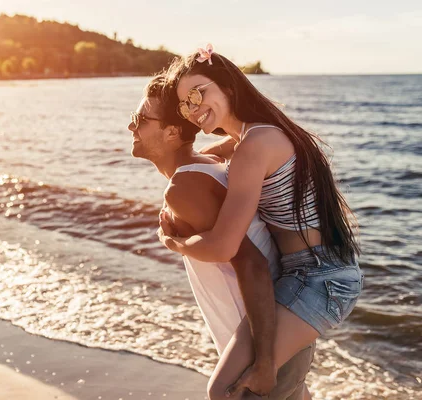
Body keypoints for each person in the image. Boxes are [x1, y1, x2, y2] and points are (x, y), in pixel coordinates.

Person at [157, 45, 363, 398]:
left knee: (225, 391)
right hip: (309, 271)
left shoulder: (256, 143)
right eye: (184, 104)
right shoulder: (248, 138)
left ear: (230, 87)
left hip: (319, 278)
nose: (193, 108)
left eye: (197, 93)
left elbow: (223, 246)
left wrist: (174, 242)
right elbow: (195, 160)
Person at [129, 74, 315, 400]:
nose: (132, 127)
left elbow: (252, 265)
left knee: (223, 394)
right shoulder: (208, 163)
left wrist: (265, 359)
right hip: (280, 326)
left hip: (265, 337)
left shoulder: (186, 186)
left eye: (140, 119)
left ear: (172, 132)